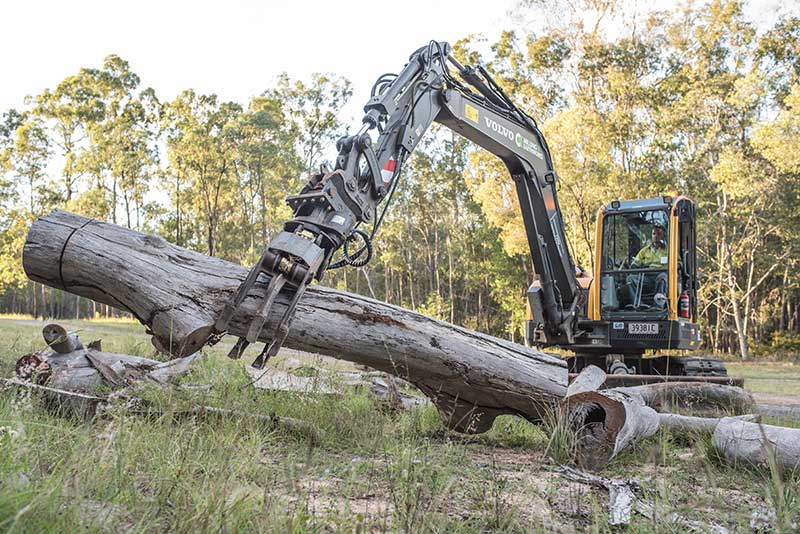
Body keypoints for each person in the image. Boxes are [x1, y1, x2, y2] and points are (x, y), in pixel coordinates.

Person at [626, 225, 668, 309]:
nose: (656, 236)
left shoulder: (668, 250)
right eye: (654, 234)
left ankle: (657, 306)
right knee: (630, 279)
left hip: (660, 275)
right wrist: (638, 266)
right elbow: (635, 264)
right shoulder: (644, 251)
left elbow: (679, 263)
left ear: (663, 236)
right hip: (646, 277)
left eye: (659, 234)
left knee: (663, 277)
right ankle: (638, 304)